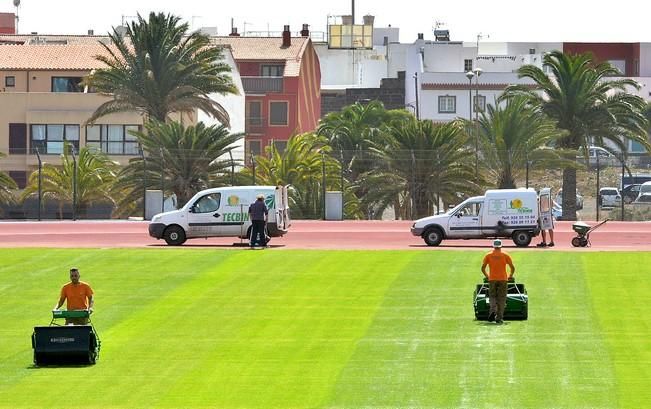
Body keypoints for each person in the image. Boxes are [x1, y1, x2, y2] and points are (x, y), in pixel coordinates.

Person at [481, 239, 515, 324]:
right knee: (502, 298)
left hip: (492, 279)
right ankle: (499, 318)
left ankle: (492, 310)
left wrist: (487, 276)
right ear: (500, 246)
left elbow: (483, 268)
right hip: (503, 279)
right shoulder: (505, 255)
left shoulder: (488, 255)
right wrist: (510, 275)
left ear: (494, 246)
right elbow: (512, 267)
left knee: (492, 296)